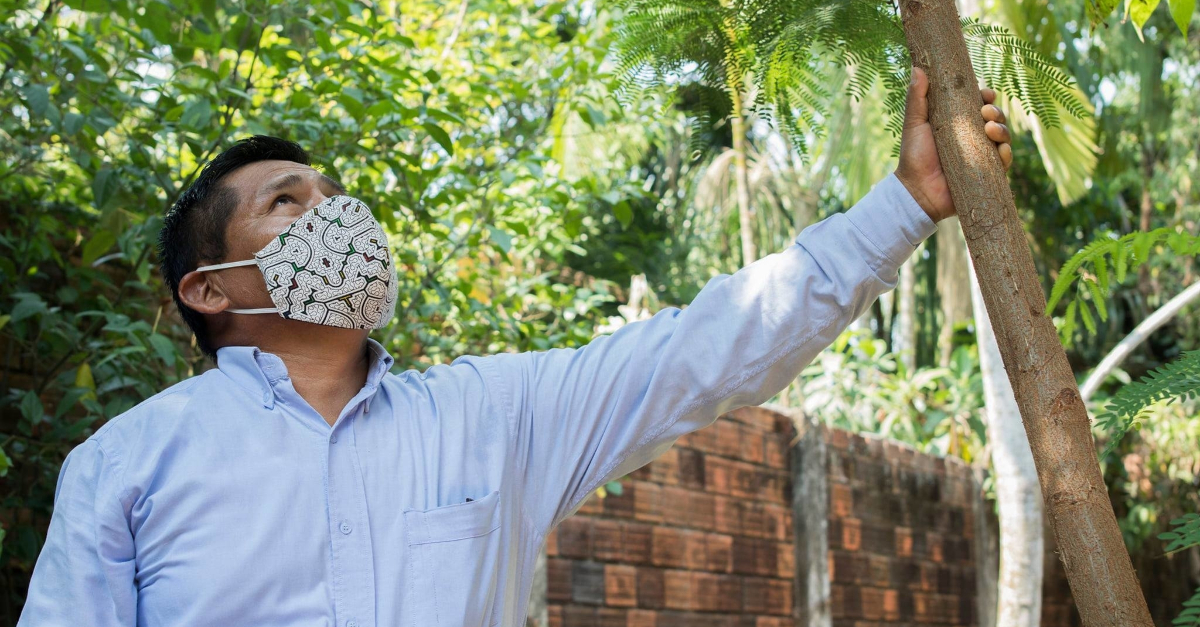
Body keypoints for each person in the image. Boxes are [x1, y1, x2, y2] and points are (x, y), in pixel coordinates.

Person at [18, 68, 1011, 627]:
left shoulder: (491, 417)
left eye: (337, 198)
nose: (339, 218)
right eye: (290, 204)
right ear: (212, 291)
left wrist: (906, 206)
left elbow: (706, 349)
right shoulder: (126, 468)